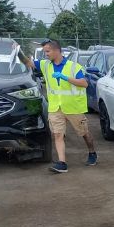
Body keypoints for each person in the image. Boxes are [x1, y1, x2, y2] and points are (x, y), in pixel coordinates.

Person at [19, 38, 97, 173]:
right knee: (58, 135)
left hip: (73, 107)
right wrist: (18, 52)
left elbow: (84, 83)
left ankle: (92, 152)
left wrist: (65, 78)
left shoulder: (74, 66)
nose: (46, 54)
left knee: (84, 133)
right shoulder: (45, 65)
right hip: (55, 107)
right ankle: (62, 163)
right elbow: (28, 62)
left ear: (57, 50)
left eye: (48, 51)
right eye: (45, 52)